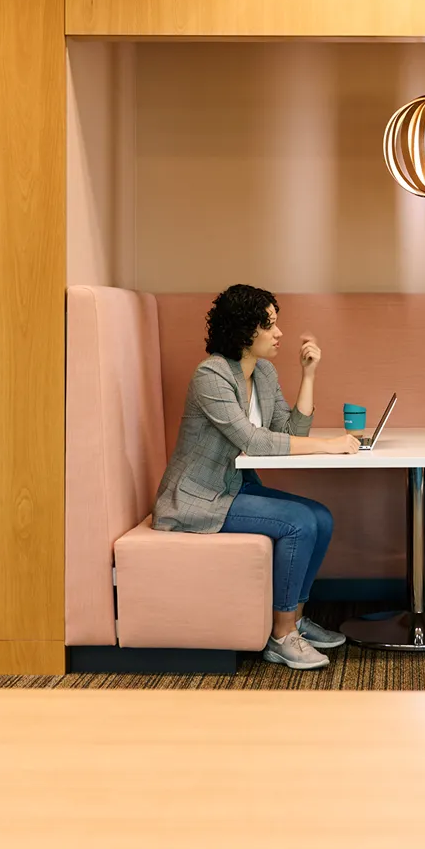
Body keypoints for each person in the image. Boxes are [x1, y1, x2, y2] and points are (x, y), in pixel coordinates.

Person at [152, 284, 359, 671]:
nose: (279, 333)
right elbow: (253, 440)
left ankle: (294, 620)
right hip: (198, 498)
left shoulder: (263, 372)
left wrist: (308, 376)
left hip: (235, 489)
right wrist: (329, 445)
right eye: (270, 325)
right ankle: (281, 637)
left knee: (321, 517)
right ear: (245, 331)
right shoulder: (210, 376)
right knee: (298, 523)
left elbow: (288, 430)